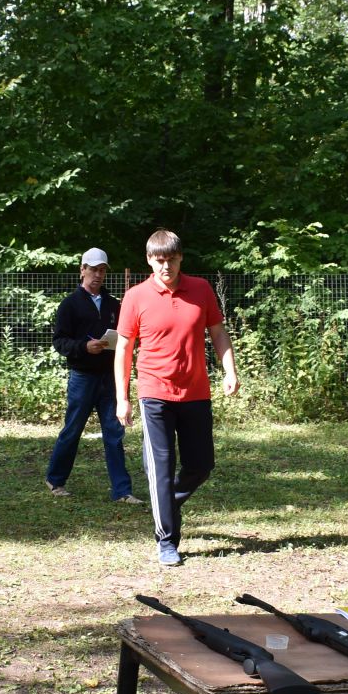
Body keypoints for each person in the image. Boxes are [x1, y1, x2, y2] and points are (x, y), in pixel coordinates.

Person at [115, 230, 238, 567]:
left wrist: (230, 370)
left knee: (201, 465)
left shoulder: (200, 289)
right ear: (149, 260)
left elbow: (218, 332)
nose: (165, 266)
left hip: (196, 391)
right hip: (155, 393)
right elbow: (124, 348)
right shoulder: (136, 297)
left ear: (180, 257)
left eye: (170, 259)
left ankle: (164, 501)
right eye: (158, 260)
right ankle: (167, 540)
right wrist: (121, 398)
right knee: (161, 467)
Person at [46, 247, 136, 501]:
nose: (98, 275)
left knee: (114, 434)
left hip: (110, 378)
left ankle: (122, 491)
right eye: (93, 269)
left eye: (102, 270)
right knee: (72, 430)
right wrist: (84, 347)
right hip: (82, 377)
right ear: (82, 270)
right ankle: (55, 480)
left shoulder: (114, 305)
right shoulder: (69, 305)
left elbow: (126, 337)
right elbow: (59, 342)